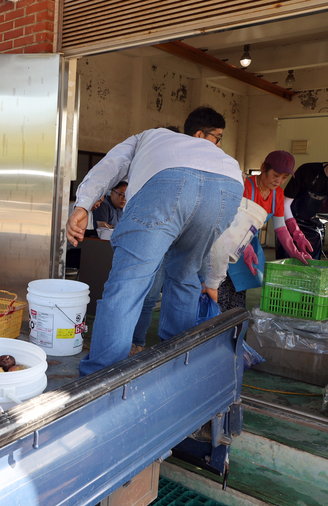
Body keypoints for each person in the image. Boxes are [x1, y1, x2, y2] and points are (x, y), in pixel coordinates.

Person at [67, 106, 243, 376]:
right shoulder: (216, 154)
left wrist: (83, 205)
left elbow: (110, 166)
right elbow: (221, 241)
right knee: (185, 278)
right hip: (228, 184)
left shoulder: (146, 137)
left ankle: (99, 377)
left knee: (129, 283)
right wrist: (213, 281)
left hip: (167, 183)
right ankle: (177, 370)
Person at [131, 114, 226, 350]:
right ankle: (137, 344)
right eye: (218, 137)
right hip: (160, 235)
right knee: (151, 295)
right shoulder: (160, 162)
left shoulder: (209, 164)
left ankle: (176, 346)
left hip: (189, 237)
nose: (220, 144)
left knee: (189, 288)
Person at [216, 151, 299, 312]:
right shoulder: (244, 186)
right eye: (275, 175)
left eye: (284, 178)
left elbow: (280, 228)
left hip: (248, 246)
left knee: (238, 297)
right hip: (227, 242)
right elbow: (230, 221)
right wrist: (243, 246)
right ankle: (215, 333)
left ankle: (234, 334)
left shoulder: (278, 194)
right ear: (263, 168)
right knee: (220, 293)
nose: (278, 181)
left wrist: (294, 251)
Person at [275, 162, 328, 261]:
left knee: (310, 270)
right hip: (289, 225)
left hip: (316, 232)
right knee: (286, 267)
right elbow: (285, 204)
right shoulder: (307, 171)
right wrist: (296, 232)